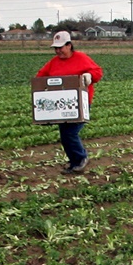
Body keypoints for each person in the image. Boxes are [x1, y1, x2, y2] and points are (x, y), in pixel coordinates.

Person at [36, 31, 103, 174]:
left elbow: (98, 72)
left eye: (61, 47)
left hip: (80, 104)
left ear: (69, 45)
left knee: (70, 133)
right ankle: (74, 162)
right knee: (65, 134)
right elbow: (40, 77)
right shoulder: (53, 63)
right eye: (56, 48)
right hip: (61, 105)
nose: (58, 51)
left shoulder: (81, 58)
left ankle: (81, 158)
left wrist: (89, 76)